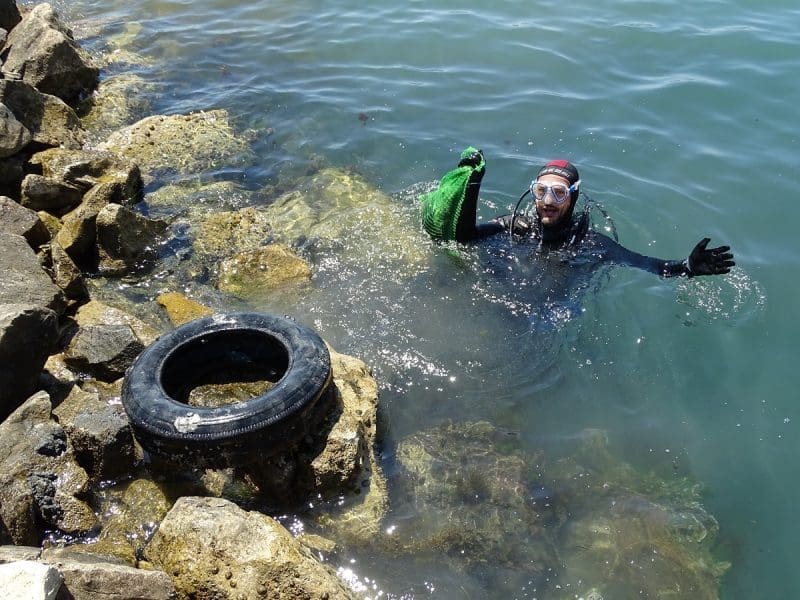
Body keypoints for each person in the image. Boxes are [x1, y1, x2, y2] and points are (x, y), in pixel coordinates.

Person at [421, 147, 735, 278]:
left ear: (573, 197)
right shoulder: (515, 225)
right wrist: (473, 184)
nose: (547, 200)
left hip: (551, 317)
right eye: (541, 191)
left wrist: (688, 267)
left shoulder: (592, 245)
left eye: (558, 193)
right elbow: (463, 238)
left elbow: (648, 265)